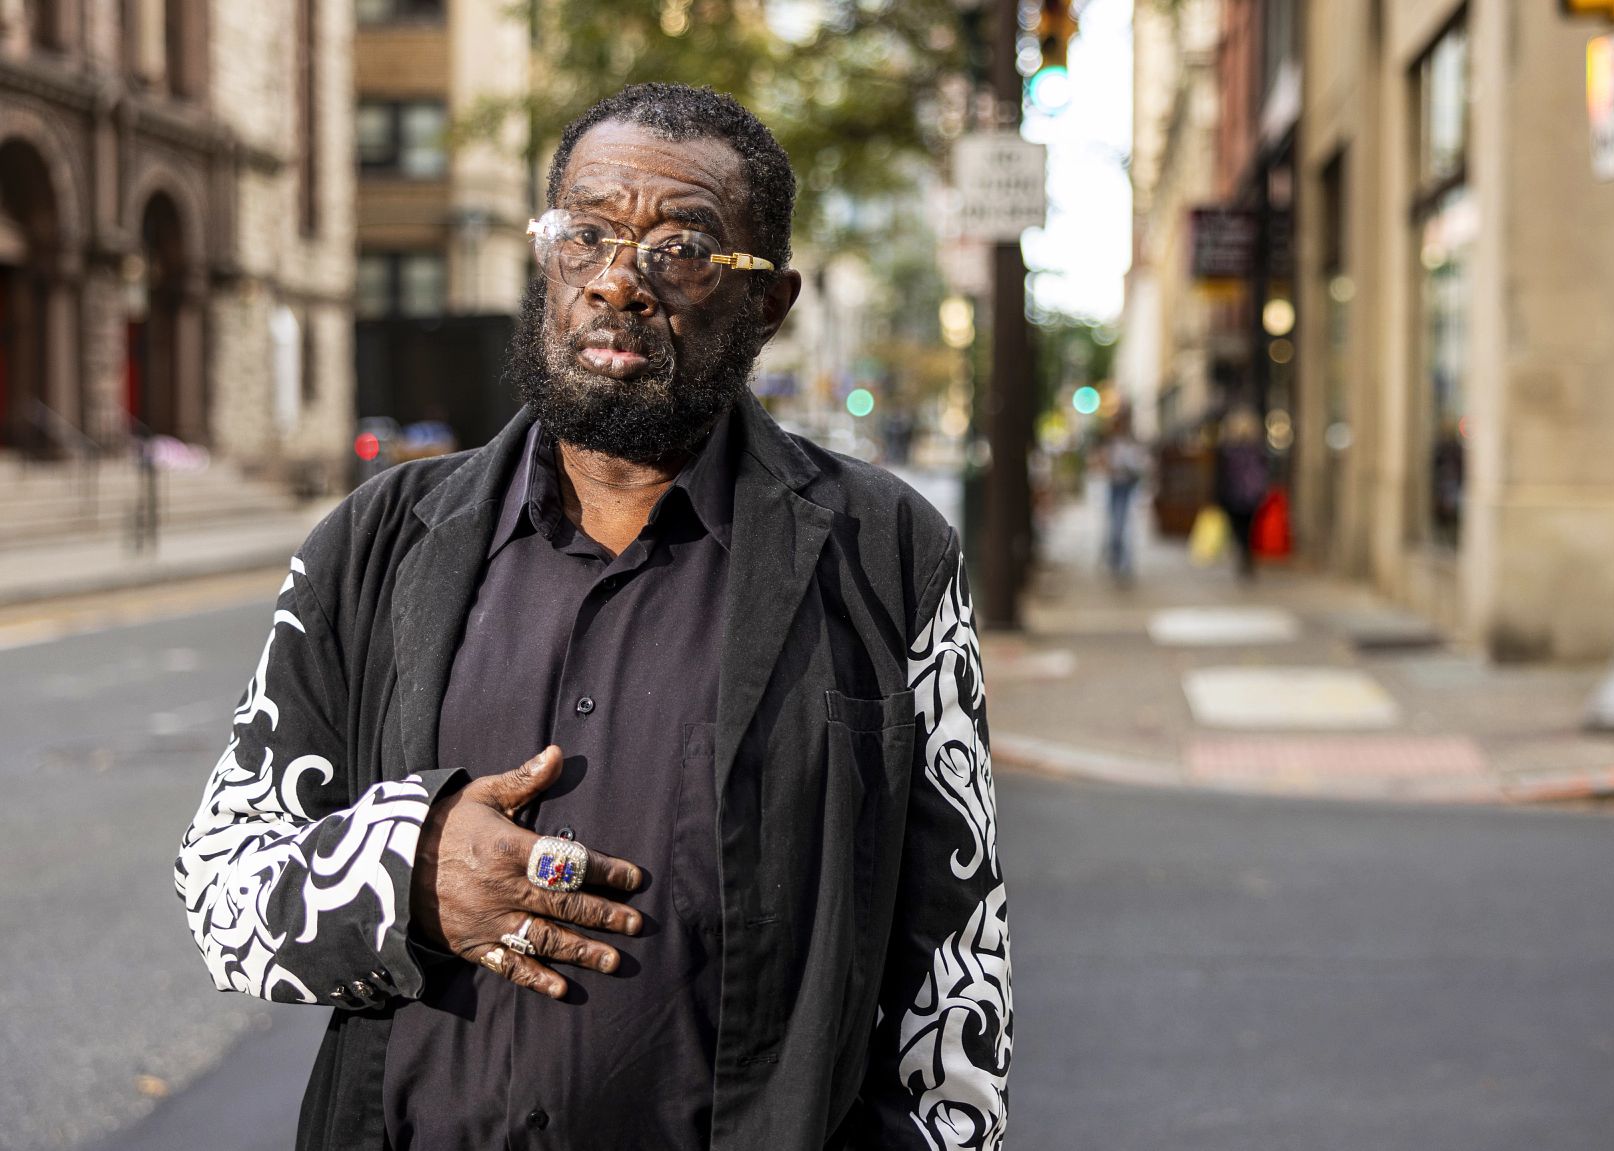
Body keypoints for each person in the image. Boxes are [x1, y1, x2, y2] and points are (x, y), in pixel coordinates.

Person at [174, 85, 1010, 1151]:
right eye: (586, 233)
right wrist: (407, 872)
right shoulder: (376, 543)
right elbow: (220, 885)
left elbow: (955, 962)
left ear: (769, 302)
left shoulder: (886, 552)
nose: (618, 279)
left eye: (682, 246)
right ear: (545, 257)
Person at [1214, 405, 1268, 581]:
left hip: (1236, 495)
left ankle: (1243, 554)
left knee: (1240, 528)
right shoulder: (1255, 450)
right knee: (1247, 528)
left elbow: (1222, 474)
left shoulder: (1230, 450)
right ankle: (1246, 554)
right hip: (1249, 495)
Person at [1101, 411, 1147, 581]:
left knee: (1124, 526)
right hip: (1115, 487)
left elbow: (1141, 465)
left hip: (1128, 487)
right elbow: (1104, 464)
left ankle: (1123, 563)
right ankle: (1116, 559)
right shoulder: (1113, 444)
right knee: (1116, 525)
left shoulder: (1131, 444)